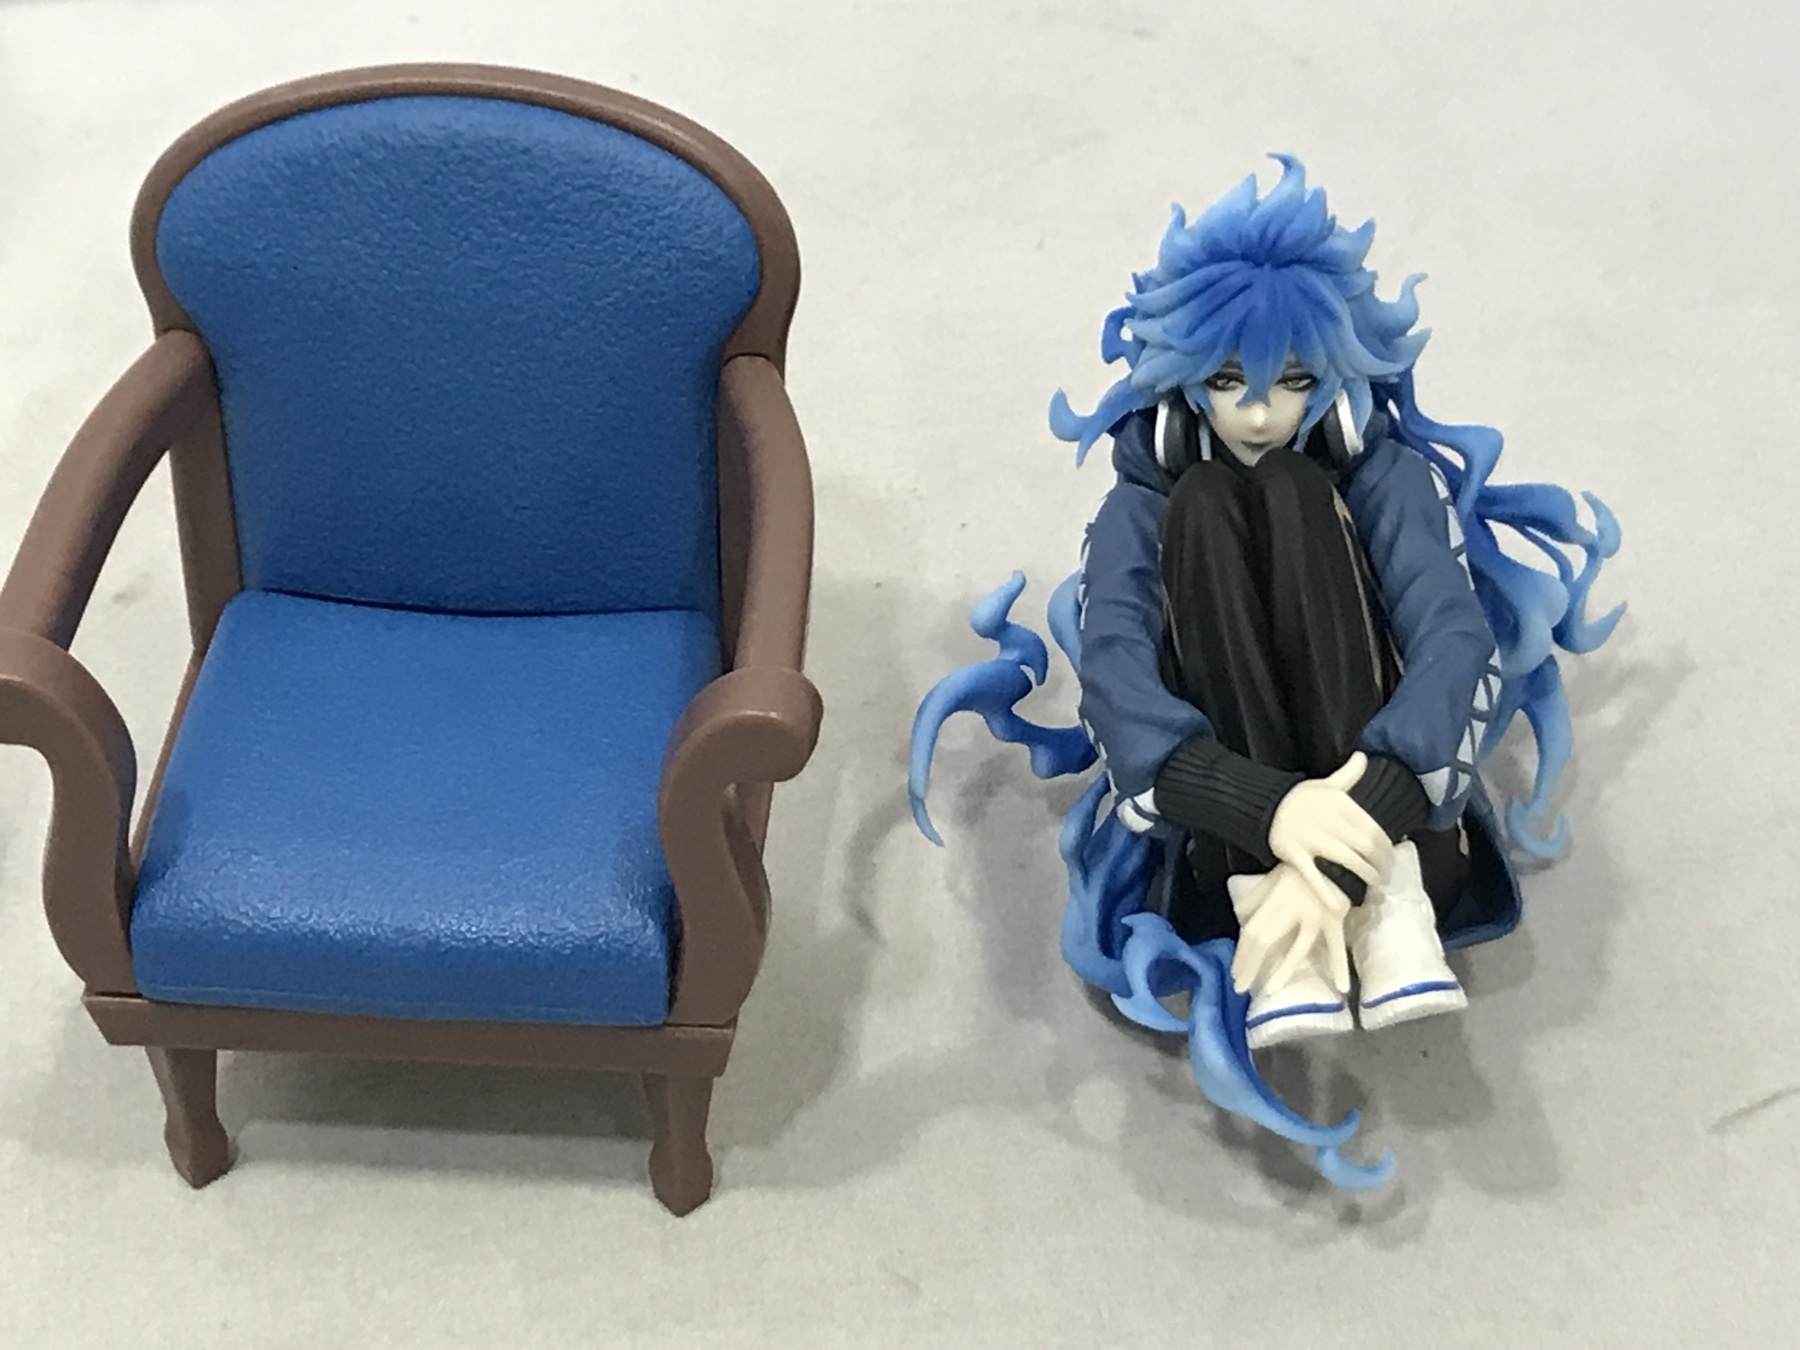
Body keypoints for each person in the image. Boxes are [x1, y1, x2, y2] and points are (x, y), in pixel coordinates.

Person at [1047, 156, 1621, 1048]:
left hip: (1404, 836)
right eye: (1229, 382)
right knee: (1205, 502)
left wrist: (1357, 834)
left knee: (1291, 488)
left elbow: (1453, 640)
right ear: (1185, 378)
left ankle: (1384, 902)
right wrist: (1265, 810)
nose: (1261, 415)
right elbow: (1114, 678)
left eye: (1295, 382)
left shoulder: (1385, 476)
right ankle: (1287, 899)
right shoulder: (1143, 508)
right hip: (1228, 853)